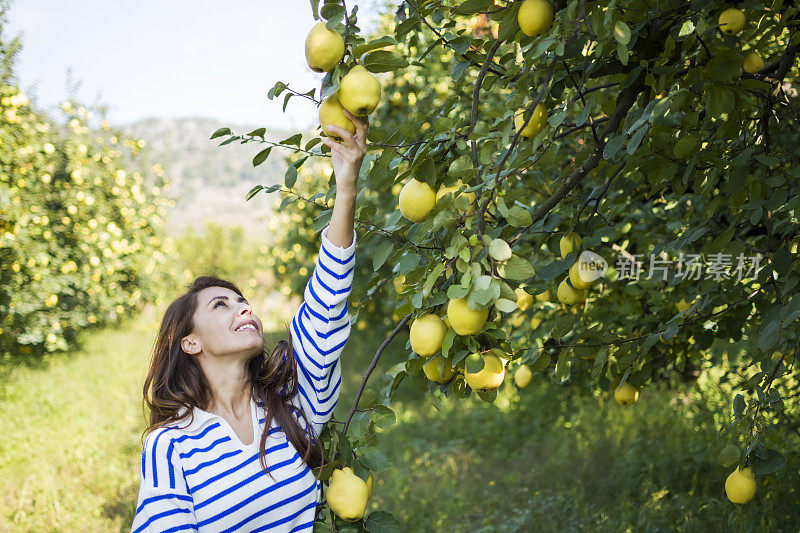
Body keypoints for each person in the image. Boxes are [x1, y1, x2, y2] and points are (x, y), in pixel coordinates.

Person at [130, 109, 367, 532]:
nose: (245, 308)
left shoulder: (292, 406)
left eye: (243, 301)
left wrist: (346, 188)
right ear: (190, 342)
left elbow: (326, 305)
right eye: (221, 305)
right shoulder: (171, 446)